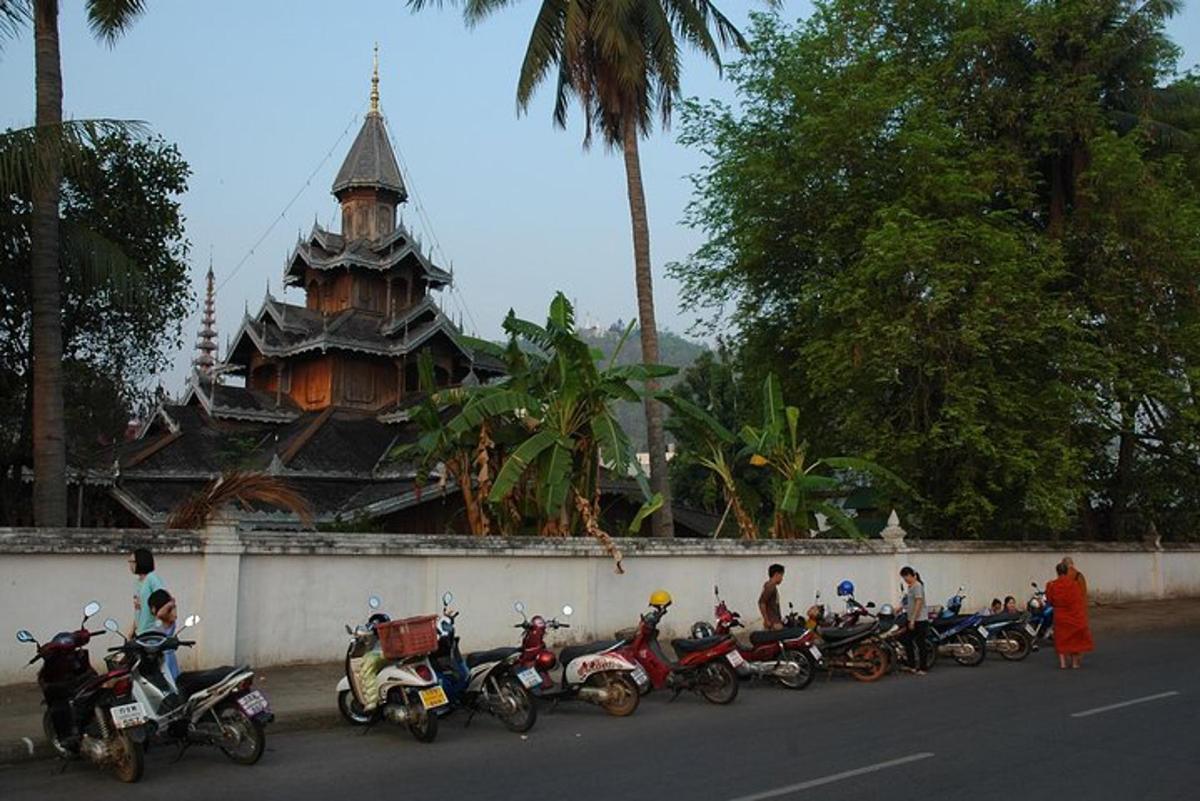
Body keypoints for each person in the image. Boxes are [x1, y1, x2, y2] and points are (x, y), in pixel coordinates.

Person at [1045, 561, 1094, 669]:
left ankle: (1063, 663)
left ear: (1057, 572)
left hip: (1060, 615)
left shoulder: (1051, 585)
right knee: (1074, 639)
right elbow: (1079, 600)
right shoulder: (1074, 585)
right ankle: (1074, 663)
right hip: (1074, 615)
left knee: (1061, 638)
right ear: (1067, 572)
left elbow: (1050, 601)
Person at [899, 566, 930, 674]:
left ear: (911, 575)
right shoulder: (910, 587)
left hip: (919, 620)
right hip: (911, 619)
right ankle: (911, 665)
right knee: (906, 640)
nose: (905, 579)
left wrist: (913, 620)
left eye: (906, 577)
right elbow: (909, 602)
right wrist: (899, 609)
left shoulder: (917, 586)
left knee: (920, 643)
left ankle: (923, 668)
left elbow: (918, 603)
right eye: (904, 578)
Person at [128, 548, 164, 636]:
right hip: (140, 631)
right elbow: (139, 609)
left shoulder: (152, 579)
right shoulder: (138, 582)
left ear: (141, 561)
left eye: (132, 561)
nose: (130, 565)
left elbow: (163, 598)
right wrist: (133, 629)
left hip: (152, 631)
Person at [147, 588, 180, 681]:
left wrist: (170, 602)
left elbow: (160, 614)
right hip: (159, 660)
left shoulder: (167, 622)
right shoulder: (159, 623)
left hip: (166, 660)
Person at [758, 564, 785, 630]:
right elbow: (761, 602)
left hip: (775, 621)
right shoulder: (770, 586)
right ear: (776, 574)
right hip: (773, 623)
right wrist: (767, 620)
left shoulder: (772, 586)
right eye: (781, 575)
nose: (782, 578)